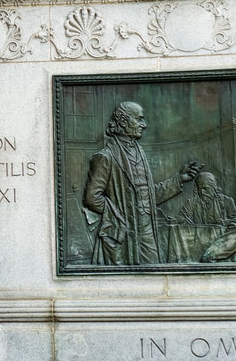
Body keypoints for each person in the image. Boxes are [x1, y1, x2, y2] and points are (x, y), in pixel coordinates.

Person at [80, 101, 189, 266]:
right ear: (123, 122)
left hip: (147, 232)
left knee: (154, 277)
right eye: (139, 119)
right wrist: (118, 213)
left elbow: (148, 195)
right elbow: (91, 197)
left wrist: (179, 180)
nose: (144, 125)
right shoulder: (105, 157)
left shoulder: (140, 151)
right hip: (123, 235)